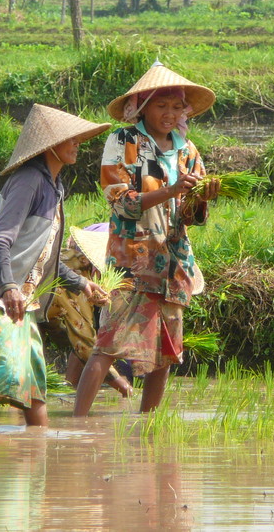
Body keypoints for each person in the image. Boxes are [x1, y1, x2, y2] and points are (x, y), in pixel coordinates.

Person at [0, 104, 110, 431]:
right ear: (50, 144)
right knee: (1, 374)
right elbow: (1, 239)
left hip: (16, 295)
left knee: (34, 380)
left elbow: (44, 257)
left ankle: (38, 446)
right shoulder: (28, 181)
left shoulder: (54, 186)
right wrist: (8, 286)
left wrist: (82, 284)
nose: (77, 144)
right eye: (71, 139)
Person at [73, 61, 218, 416]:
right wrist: (169, 190)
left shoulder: (187, 150)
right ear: (142, 105)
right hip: (132, 260)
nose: (169, 114)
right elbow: (120, 200)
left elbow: (189, 216)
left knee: (165, 352)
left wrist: (202, 198)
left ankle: (149, 427)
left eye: (176, 107)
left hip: (173, 263)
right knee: (107, 344)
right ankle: (77, 427)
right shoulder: (124, 141)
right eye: (160, 105)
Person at [45, 223, 133, 397]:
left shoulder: (72, 260)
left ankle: (71, 389)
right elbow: (83, 341)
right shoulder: (75, 273)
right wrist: (123, 387)